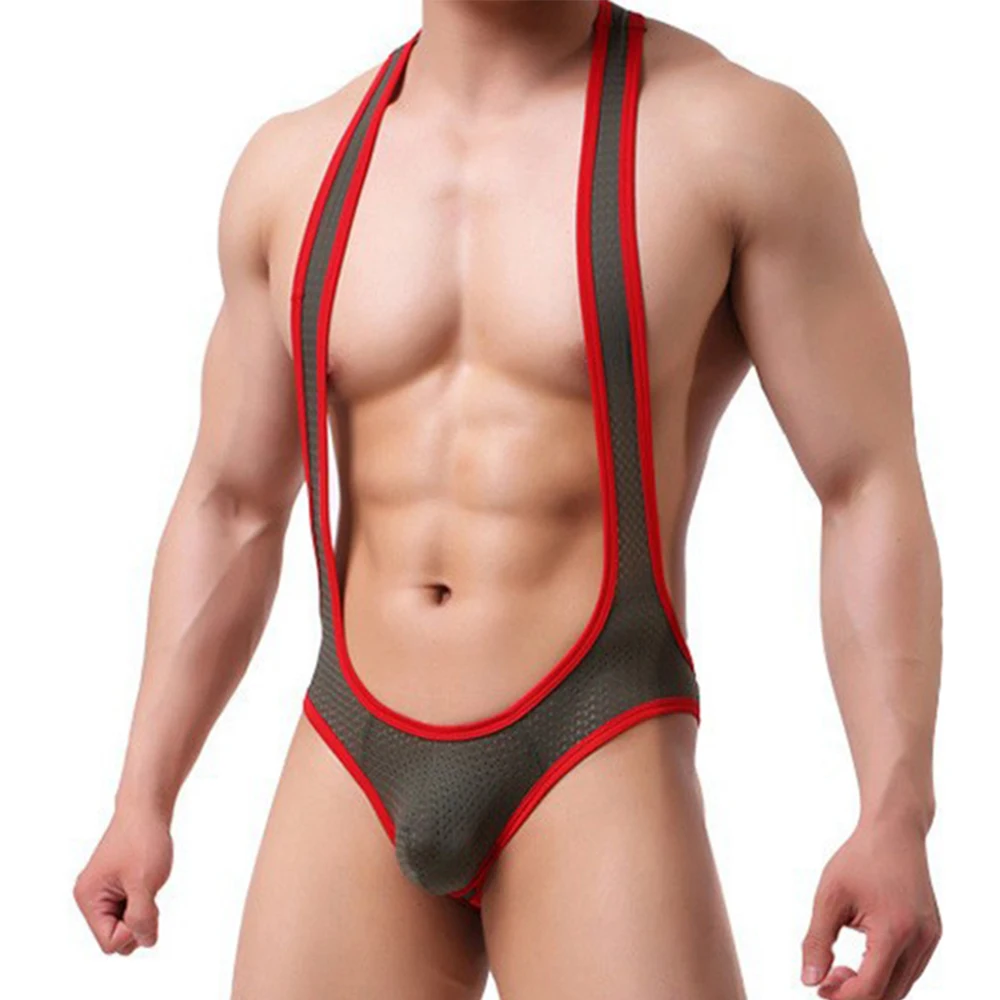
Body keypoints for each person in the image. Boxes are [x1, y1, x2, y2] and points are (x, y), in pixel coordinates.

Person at [72, 2, 943, 998]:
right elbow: (232, 501)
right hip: (350, 748)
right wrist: (142, 795)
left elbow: (863, 479)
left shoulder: (731, 140)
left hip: (593, 739)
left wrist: (895, 813)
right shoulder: (293, 167)